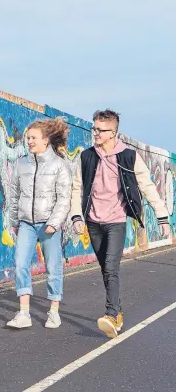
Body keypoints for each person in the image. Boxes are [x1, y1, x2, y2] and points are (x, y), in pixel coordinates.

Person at [70, 109, 170, 338]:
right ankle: (118, 311)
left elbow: (147, 186)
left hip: (116, 221)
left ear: (113, 132)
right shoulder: (86, 157)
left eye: (100, 130)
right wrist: (77, 216)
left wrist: (162, 216)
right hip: (93, 221)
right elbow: (77, 188)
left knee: (111, 266)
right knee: (105, 269)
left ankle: (112, 314)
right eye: (93, 128)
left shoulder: (128, 156)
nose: (95, 133)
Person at [7, 117, 72, 329]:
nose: (29, 141)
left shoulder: (59, 165)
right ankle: (23, 313)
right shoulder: (21, 163)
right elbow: (14, 194)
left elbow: (64, 197)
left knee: (53, 268)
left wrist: (54, 222)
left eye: (33, 138)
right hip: (26, 223)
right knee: (20, 264)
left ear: (45, 140)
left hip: (49, 224)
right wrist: (14, 220)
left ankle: (53, 312)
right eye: (28, 138)